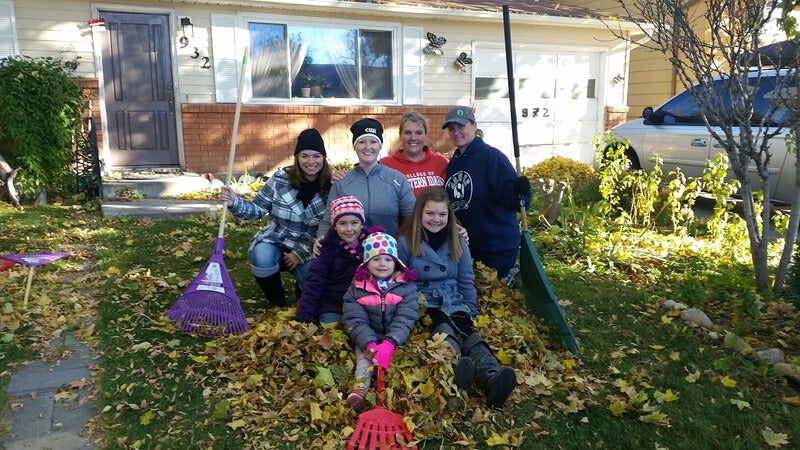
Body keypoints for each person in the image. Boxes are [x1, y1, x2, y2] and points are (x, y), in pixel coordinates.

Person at [397, 187, 517, 408]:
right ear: (419, 213)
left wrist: (471, 309)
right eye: (430, 213)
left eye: (442, 214)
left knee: (470, 336)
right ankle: (458, 375)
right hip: (424, 303)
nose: (436, 219)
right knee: (444, 333)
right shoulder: (406, 242)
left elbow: (465, 278)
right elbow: (400, 281)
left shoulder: (457, 240)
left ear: (449, 216)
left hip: (453, 300)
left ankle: (492, 381)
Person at [221, 128, 331, 307]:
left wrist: (299, 254)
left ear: (323, 158)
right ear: (297, 157)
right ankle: (276, 297)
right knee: (262, 256)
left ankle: (301, 287)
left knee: (312, 288)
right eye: (304, 156)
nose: (311, 161)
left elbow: (326, 230)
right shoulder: (280, 180)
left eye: (316, 156)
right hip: (277, 240)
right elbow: (257, 209)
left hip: (309, 247)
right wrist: (234, 201)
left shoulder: (331, 187)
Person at [442, 106, 532, 281]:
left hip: (495, 247)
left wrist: (521, 191)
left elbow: (515, 202)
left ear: (474, 126)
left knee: (493, 300)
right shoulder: (454, 162)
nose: (456, 132)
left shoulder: (492, 157)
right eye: (452, 129)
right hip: (468, 247)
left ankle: (511, 274)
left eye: (461, 126)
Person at [342, 230, 418, 412]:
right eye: (376, 259)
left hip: (395, 339)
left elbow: (405, 318)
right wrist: (369, 344)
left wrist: (390, 343)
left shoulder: (405, 288)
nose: (382, 264)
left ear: (396, 263)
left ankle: (393, 397)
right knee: (364, 362)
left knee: (396, 365)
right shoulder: (357, 289)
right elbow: (355, 320)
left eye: (388, 259)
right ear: (367, 263)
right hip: (368, 339)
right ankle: (360, 391)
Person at [316, 118, 416, 239]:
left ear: (380, 146)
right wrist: (322, 238)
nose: (368, 147)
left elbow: (413, 217)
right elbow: (328, 220)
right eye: (362, 142)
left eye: (373, 142)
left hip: (387, 254)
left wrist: (404, 244)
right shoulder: (342, 181)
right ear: (355, 146)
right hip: (350, 254)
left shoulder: (397, 179)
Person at [294, 195, 366, 324]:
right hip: (333, 302)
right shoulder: (327, 248)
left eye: (354, 222)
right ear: (334, 226)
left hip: (363, 300)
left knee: (361, 327)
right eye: (342, 223)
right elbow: (314, 282)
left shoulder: (371, 244)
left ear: (361, 224)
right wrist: (303, 317)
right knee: (330, 328)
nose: (349, 229)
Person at [380, 111, 449, 197]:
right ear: (400, 135)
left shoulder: (441, 162)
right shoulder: (385, 165)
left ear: (425, 135)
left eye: (419, 133)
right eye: (407, 133)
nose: (413, 138)